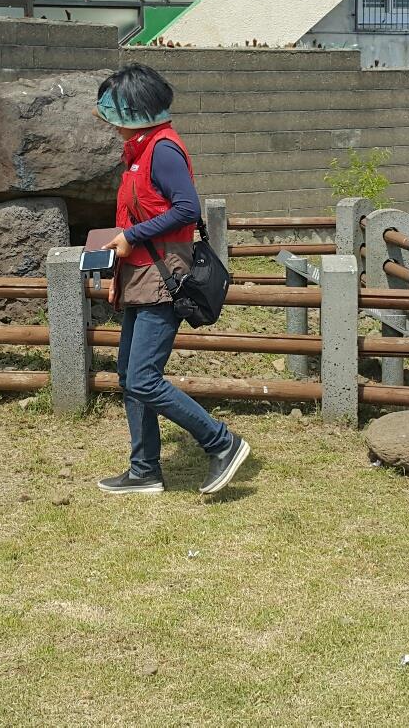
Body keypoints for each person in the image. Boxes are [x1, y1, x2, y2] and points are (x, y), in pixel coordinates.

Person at [94, 64, 251, 496]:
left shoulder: (163, 151)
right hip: (141, 273)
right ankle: (144, 470)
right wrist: (117, 270)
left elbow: (186, 209)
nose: (110, 124)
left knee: (143, 376)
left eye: (114, 114)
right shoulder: (140, 152)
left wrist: (131, 237)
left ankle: (223, 442)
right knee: (129, 374)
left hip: (165, 276)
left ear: (134, 111)